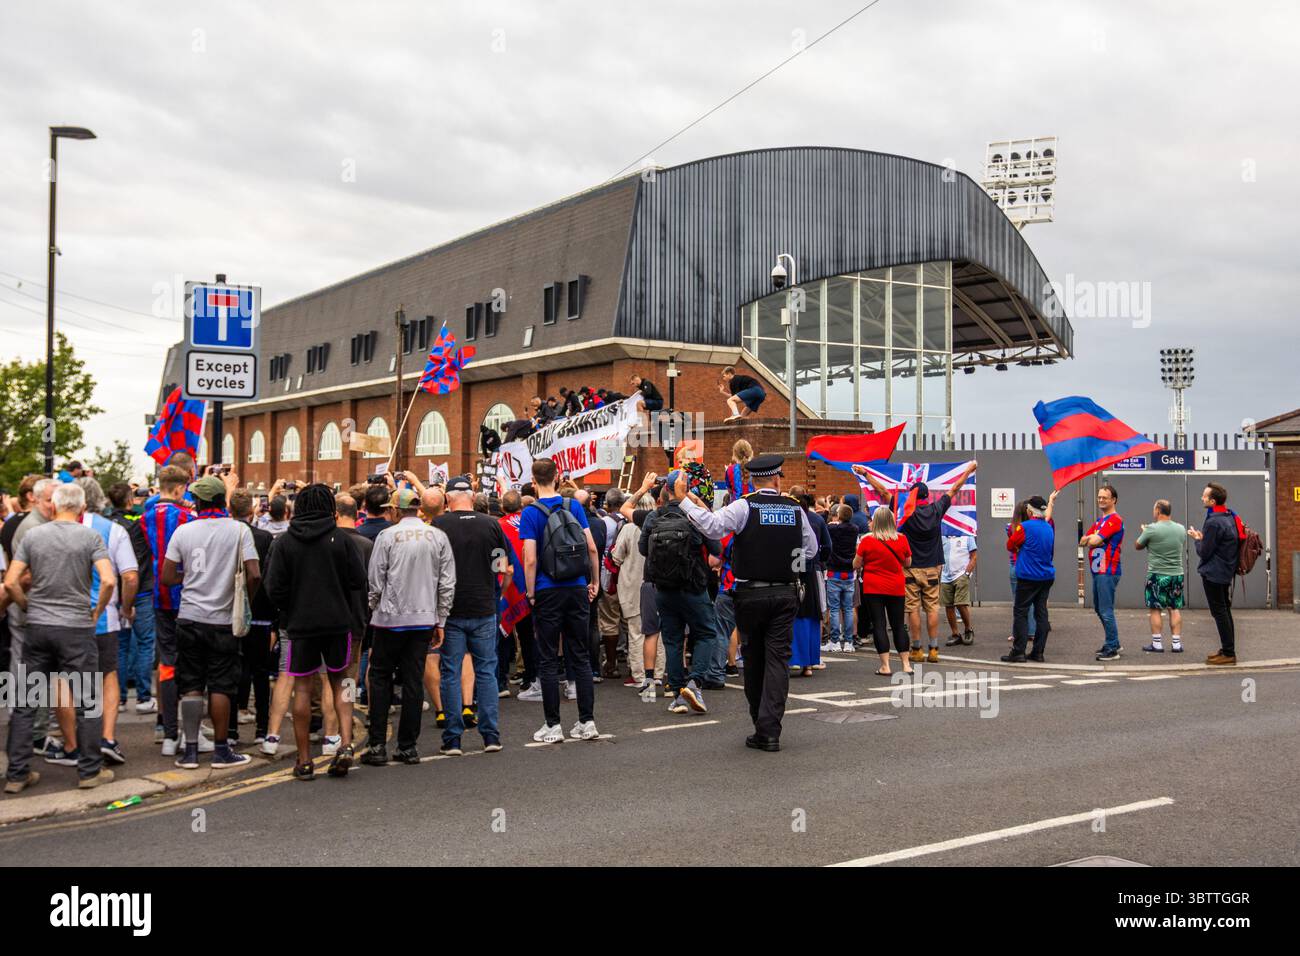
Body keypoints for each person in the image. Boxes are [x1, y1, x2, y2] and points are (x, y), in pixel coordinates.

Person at [675, 454, 817, 752]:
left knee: (753, 658)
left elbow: (713, 528)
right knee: (778, 660)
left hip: (750, 593)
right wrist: (784, 562)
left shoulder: (744, 506)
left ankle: (759, 723)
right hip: (785, 591)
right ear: (777, 479)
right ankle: (770, 730)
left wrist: (684, 501)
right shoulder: (794, 508)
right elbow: (811, 549)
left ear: (753, 479)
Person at [4, 481, 117, 792]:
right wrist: (95, 613)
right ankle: (89, 771)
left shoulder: (33, 535)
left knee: (25, 701)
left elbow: (12, 582)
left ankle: (17, 774)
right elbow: (108, 580)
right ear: (82, 509)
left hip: (38, 628)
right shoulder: (90, 536)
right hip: (76, 628)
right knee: (86, 701)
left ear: (52, 506)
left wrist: (28, 607)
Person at [263, 483, 366, 778]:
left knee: (303, 688)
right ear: (328, 509)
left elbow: (273, 588)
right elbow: (358, 580)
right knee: (341, 682)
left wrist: (291, 606)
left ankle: (304, 761)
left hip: (300, 625)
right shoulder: (342, 540)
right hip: (337, 622)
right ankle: (345, 744)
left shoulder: (284, 543)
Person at [160, 474, 257, 770]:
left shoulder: (183, 532)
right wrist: (243, 600)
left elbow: (166, 577)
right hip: (223, 621)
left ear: (198, 502)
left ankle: (189, 752)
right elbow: (254, 574)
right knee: (220, 685)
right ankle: (220, 751)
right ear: (221, 501)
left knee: (190, 684)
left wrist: (187, 578)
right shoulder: (240, 531)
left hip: (189, 618)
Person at [363, 488, 455, 764]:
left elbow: (376, 577)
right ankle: (408, 747)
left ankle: (377, 745)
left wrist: (374, 606)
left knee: (380, 679)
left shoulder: (387, 536)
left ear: (394, 510)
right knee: (414, 682)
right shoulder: (437, 536)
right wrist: (442, 618)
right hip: (424, 618)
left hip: (389, 619)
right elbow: (447, 582)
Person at [854, 461, 977, 663]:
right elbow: (954, 489)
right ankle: (934, 648)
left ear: (912, 495)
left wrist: (866, 474)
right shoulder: (937, 509)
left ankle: (917, 648)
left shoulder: (904, 511)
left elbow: (883, 491)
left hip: (910, 568)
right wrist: (968, 470)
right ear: (928, 496)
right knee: (932, 608)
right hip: (932, 568)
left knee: (912, 609)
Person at [519, 457, 601, 743]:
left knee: (548, 658)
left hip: (547, 589)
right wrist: (595, 582)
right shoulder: (574, 506)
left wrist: (530, 593)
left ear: (533, 480)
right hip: (577, 587)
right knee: (580, 656)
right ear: (557, 477)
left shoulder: (530, 513)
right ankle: (587, 721)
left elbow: (530, 559)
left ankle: (553, 725)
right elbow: (590, 547)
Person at [431, 476, 512, 755]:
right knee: (486, 671)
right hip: (484, 606)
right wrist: (497, 593)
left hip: (450, 609)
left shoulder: (439, 525)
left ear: (448, 498)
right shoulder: (491, 524)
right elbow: (502, 565)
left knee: (451, 673)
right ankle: (491, 736)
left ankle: (453, 740)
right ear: (472, 495)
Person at [640, 465, 722, 714]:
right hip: (694, 585)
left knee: (673, 640)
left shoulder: (654, 516)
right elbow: (717, 547)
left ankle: (677, 695)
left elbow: (644, 549)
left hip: (664, 588)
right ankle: (695, 683)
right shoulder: (693, 514)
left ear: (665, 490)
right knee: (707, 633)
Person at [141, 465, 195, 753]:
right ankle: (189, 732)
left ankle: (168, 732)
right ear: (179, 489)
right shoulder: (188, 518)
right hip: (186, 597)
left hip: (157, 598)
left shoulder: (143, 518)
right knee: (191, 665)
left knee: (166, 664)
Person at [106, 481, 156, 717]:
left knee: (122, 645)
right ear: (129, 500)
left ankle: (122, 697)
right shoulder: (141, 523)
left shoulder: (107, 526)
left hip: (116, 590)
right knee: (146, 643)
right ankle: (144, 697)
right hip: (142, 588)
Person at [229, 491, 275, 743]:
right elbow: (264, 576)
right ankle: (262, 729)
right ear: (251, 511)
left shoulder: (225, 534)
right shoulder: (265, 537)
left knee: (235, 669)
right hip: (260, 613)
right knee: (260, 671)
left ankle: (232, 731)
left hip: (229, 611)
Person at [1189, 482, 1244, 666]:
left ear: (1212, 501)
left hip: (1214, 573)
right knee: (1224, 611)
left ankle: (1228, 653)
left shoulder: (1213, 521)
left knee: (1219, 612)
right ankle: (1227, 649)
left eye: (1204, 496)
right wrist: (1204, 540)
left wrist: (1197, 539)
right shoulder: (1229, 516)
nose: (1201, 498)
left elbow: (1204, 552)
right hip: (1226, 570)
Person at [854, 506, 913, 677]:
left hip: (873, 587)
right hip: (896, 586)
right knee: (898, 625)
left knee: (879, 624)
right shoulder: (902, 539)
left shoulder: (867, 541)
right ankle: (906, 664)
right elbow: (908, 562)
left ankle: (885, 666)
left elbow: (856, 564)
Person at [1003, 492, 1058, 663]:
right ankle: (1038, 652)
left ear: (1030, 511)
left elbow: (1010, 545)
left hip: (1028, 576)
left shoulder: (1024, 527)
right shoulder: (1048, 527)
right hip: (1046, 576)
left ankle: (1018, 651)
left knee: (1021, 612)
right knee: (1041, 614)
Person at [1135, 499, 1186, 654]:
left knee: (1155, 609)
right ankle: (1176, 644)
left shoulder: (1151, 529)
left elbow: (1138, 545)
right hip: (1177, 574)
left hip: (1157, 575)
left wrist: (1145, 532)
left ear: (1158, 510)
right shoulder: (1181, 528)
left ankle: (1157, 644)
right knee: (1174, 608)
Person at [1081, 484, 1124, 661]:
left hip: (1108, 570)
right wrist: (1093, 540)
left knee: (1106, 610)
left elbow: (1094, 539)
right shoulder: (1100, 521)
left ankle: (1112, 647)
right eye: (1099, 497)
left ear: (1113, 500)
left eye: (1104, 497)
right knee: (1099, 608)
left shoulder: (1114, 520)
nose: (1100, 500)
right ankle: (1113, 642)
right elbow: (1083, 540)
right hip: (1098, 570)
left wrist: (1095, 540)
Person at [824, 504, 858, 653]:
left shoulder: (833, 529)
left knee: (834, 609)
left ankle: (835, 641)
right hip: (849, 573)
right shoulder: (855, 529)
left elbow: (828, 527)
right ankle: (849, 641)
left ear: (839, 516)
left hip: (834, 572)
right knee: (848, 608)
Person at [1006, 501, 1036, 647]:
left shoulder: (1010, 527)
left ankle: (1018, 632)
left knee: (1018, 603)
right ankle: (1031, 631)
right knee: (1032, 601)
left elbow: (1011, 546)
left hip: (1015, 564)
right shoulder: (1032, 528)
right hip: (1029, 565)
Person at [941, 533, 977, 647]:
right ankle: (955, 634)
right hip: (945, 576)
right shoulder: (943, 536)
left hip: (961, 575)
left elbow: (974, 556)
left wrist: (966, 574)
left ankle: (968, 630)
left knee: (961, 604)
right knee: (949, 605)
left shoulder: (967, 536)